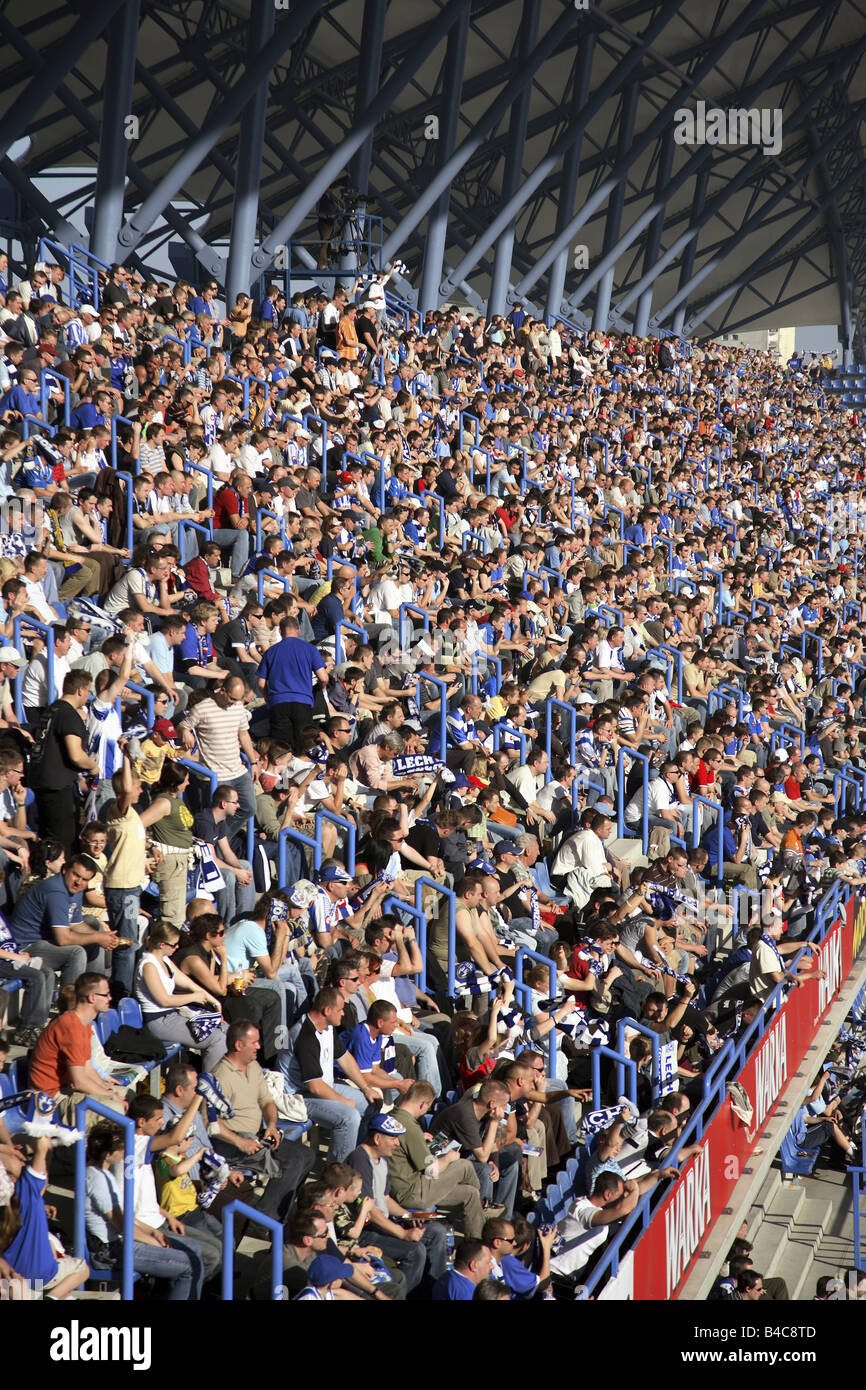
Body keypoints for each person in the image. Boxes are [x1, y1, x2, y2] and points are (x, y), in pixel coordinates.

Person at [212, 1019, 315, 1221]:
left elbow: (267, 1102)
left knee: (308, 1155)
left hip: (257, 1136)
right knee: (291, 1161)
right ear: (238, 1045)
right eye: (254, 1043)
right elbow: (211, 1122)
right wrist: (240, 1141)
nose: (259, 1046)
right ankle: (267, 1218)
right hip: (232, 1144)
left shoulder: (253, 1066)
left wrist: (273, 1126)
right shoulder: (220, 1076)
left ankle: (282, 1210)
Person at [347, 1112, 449, 1293]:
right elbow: (369, 1210)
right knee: (414, 1250)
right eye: (393, 1138)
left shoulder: (383, 1160)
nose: (397, 1143)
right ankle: (398, 1294)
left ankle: (432, 1292)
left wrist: (408, 1216)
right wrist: (403, 1233)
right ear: (377, 1138)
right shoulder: (360, 1159)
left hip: (385, 1224)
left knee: (437, 1232)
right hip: (366, 1230)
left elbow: (385, 1199)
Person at [280, 986, 382, 1161]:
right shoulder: (305, 1036)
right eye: (340, 1009)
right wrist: (344, 1102)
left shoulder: (327, 1027)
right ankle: (338, 1173)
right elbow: (314, 1086)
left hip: (324, 1085)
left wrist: (366, 1088)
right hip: (300, 1096)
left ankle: (357, 1158)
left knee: (371, 1103)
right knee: (349, 1117)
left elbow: (346, 1059)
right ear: (327, 1010)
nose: (343, 1013)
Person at [388, 1080, 485, 1237]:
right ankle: (484, 1208)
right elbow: (431, 1170)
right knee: (464, 1165)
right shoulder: (410, 1127)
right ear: (423, 1104)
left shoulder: (394, 1116)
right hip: (412, 1192)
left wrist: (421, 1139)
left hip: (407, 1187)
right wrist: (448, 1158)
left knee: (471, 1193)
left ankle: (475, 1243)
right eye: (427, 1107)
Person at [28, 971, 127, 1122]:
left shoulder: (83, 1025)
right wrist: (110, 1096)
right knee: (115, 1109)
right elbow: (80, 1081)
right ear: (92, 997)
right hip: (52, 1099)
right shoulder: (70, 1026)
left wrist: (108, 1090)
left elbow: (89, 1069)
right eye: (106, 995)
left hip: (69, 1089)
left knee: (127, 1095)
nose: (110, 998)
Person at [134, 918, 229, 1071]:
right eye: (174, 945)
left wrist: (214, 1003)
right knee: (216, 1039)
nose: (177, 947)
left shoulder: (164, 959)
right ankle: (210, 1085)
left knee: (226, 1029)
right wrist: (194, 997)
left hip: (172, 1016)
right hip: (158, 1021)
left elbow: (189, 984)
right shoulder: (148, 965)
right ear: (162, 944)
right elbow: (164, 1000)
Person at [28, 670, 98, 848]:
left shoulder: (52, 709)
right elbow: (75, 754)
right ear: (80, 690)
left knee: (47, 840)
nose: (88, 696)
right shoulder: (69, 714)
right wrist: (93, 767)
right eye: (89, 691)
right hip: (57, 787)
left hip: (41, 782)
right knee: (62, 843)